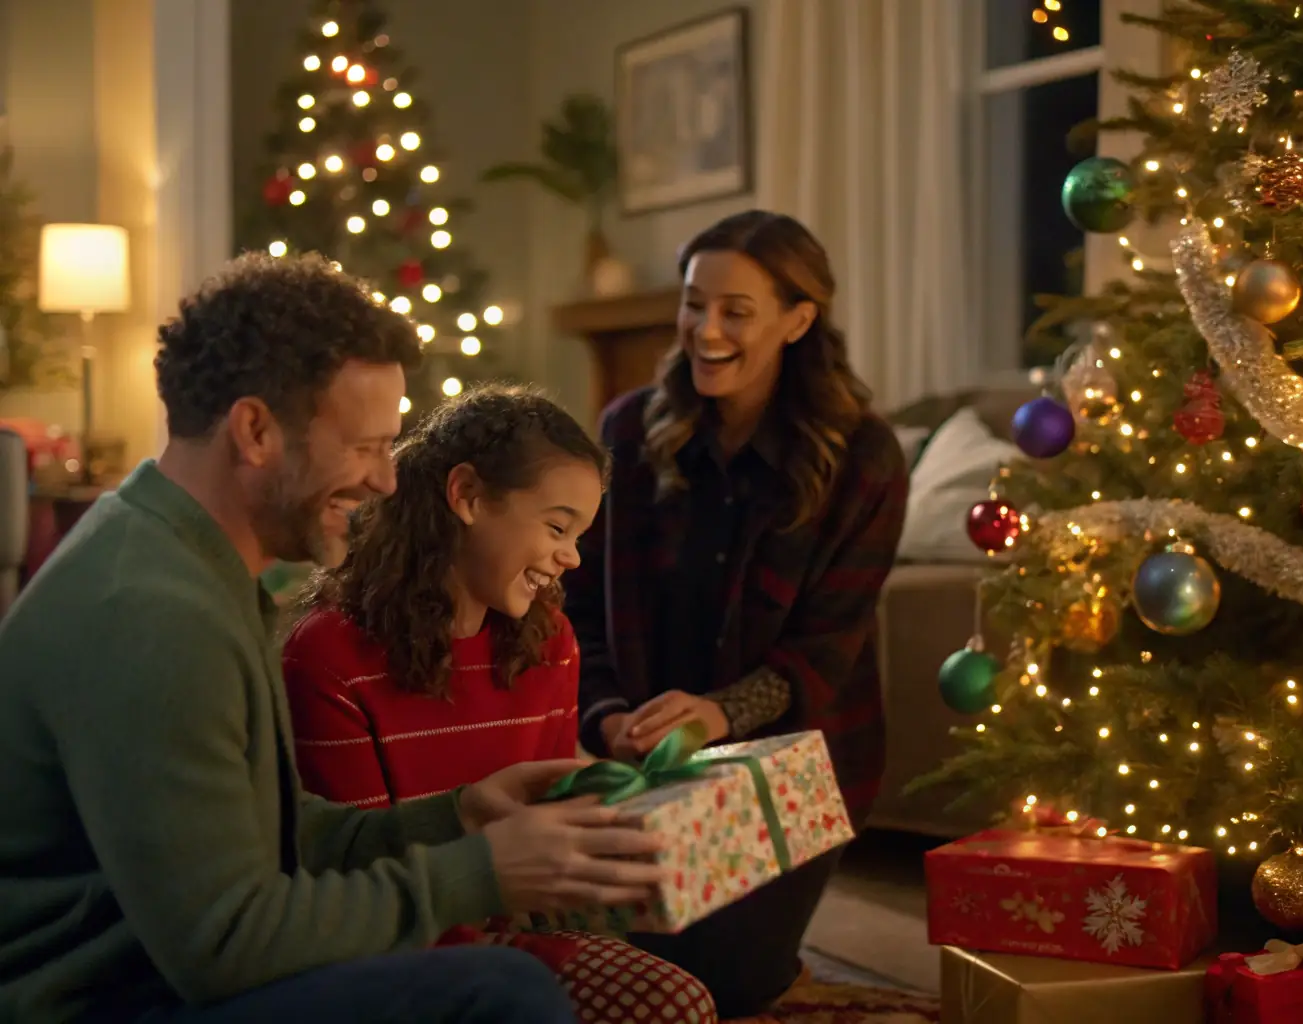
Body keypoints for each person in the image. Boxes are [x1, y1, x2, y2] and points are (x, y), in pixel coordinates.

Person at [0, 253, 666, 1024]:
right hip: (96, 1002)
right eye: (363, 447)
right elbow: (226, 944)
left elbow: (263, 836)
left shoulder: (177, 556)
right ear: (254, 430)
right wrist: (477, 875)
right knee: (500, 993)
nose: (387, 479)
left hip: (158, 967)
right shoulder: (153, 616)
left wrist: (455, 818)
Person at [563, 210, 910, 1017]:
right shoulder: (626, 432)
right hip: (642, 766)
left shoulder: (862, 457)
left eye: (735, 311)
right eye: (692, 304)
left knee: (720, 984)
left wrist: (718, 714)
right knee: (625, 977)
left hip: (795, 771)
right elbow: (576, 604)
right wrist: (607, 715)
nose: (705, 330)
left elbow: (825, 651)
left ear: (797, 319)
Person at [280, 384, 718, 1024]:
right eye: (557, 526)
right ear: (467, 496)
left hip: (520, 927)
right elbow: (359, 876)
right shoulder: (329, 658)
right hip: (397, 947)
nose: (570, 557)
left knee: (684, 996)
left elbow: (546, 840)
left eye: (580, 535)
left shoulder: (551, 643)